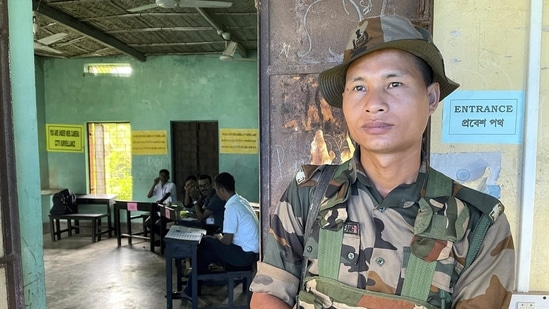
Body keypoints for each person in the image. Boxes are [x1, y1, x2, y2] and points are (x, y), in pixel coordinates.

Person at [250, 15, 515, 309]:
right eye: (359, 87)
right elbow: (269, 294)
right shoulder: (309, 195)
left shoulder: (478, 223)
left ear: (431, 97)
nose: (374, 103)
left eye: (395, 83)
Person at [183, 172, 259, 300]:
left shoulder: (232, 207)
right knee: (205, 251)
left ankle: (192, 287)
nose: (216, 192)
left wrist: (218, 237)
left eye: (216, 189)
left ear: (222, 189)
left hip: (243, 257)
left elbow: (227, 241)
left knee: (206, 241)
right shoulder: (241, 200)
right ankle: (193, 286)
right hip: (250, 253)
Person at [146, 169, 177, 240]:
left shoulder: (171, 185)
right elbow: (149, 195)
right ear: (159, 177)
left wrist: (160, 201)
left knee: (161, 223)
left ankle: (164, 240)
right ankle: (164, 237)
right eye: (161, 176)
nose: (163, 177)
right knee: (148, 223)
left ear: (168, 177)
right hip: (158, 210)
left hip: (169, 209)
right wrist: (154, 184)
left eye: (165, 176)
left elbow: (168, 194)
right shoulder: (158, 186)